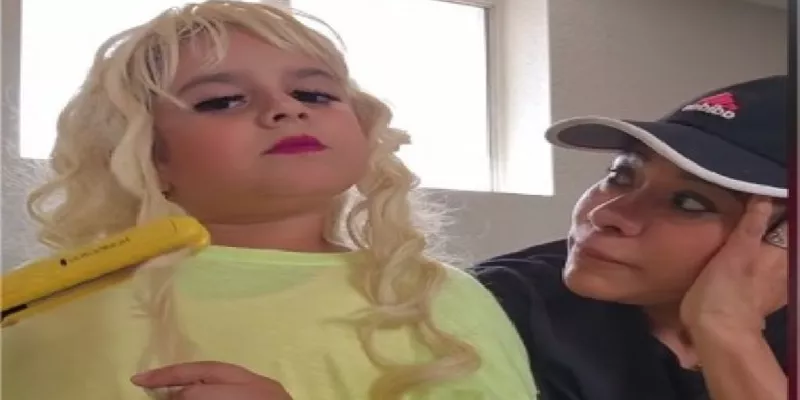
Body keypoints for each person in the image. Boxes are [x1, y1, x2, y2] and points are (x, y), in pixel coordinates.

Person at [2, 2, 536, 399]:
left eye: (314, 93)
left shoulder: (431, 300)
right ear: (147, 154)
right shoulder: (50, 305)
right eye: (222, 100)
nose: (286, 108)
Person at [472, 75, 788, 400]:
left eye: (688, 203)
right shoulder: (494, 311)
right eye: (621, 175)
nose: (604, 214)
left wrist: (729, 333)